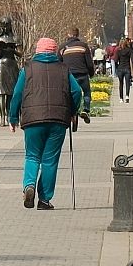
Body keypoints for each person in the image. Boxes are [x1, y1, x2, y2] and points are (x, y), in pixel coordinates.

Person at [9, 37, 81, 210]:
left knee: (32, 156)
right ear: (55, 52)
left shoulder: (27, 69)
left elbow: (17, 94)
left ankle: (29, 185)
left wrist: (13, 118)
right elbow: (77, 91)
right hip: (58, 120)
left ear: (37, 51)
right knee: (50, 161)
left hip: (33, 119)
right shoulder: (64, 69)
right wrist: (72, 110)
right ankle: (44, 200)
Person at [60, 27, 95, 123]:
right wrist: (91, 73)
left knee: (67, 93)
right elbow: (89, 63)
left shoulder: (62, 47)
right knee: (86, 93)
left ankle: (68, 110)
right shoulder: (83, 46)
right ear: (78, 35)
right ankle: (86, 109)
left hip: (69, 75)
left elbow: (59, 63)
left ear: (68, 35)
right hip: (82, 74)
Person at [0, 31, 20, 126]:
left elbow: (20, 54)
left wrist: (12, 50)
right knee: (1, 92)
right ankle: (2, 118)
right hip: (1, 65)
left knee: (11, 92)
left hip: (12, 65)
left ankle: (9, 117)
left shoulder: (15, 37)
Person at [113, 37, 133, 103]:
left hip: (120, 68)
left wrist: (117, 68)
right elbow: (132, 59)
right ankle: (127, 96)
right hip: (127, 68)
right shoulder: (129, 50)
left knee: (121, 83)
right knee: (127, 83)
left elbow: (116, 60)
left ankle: (121, 98)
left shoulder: (118, 51)